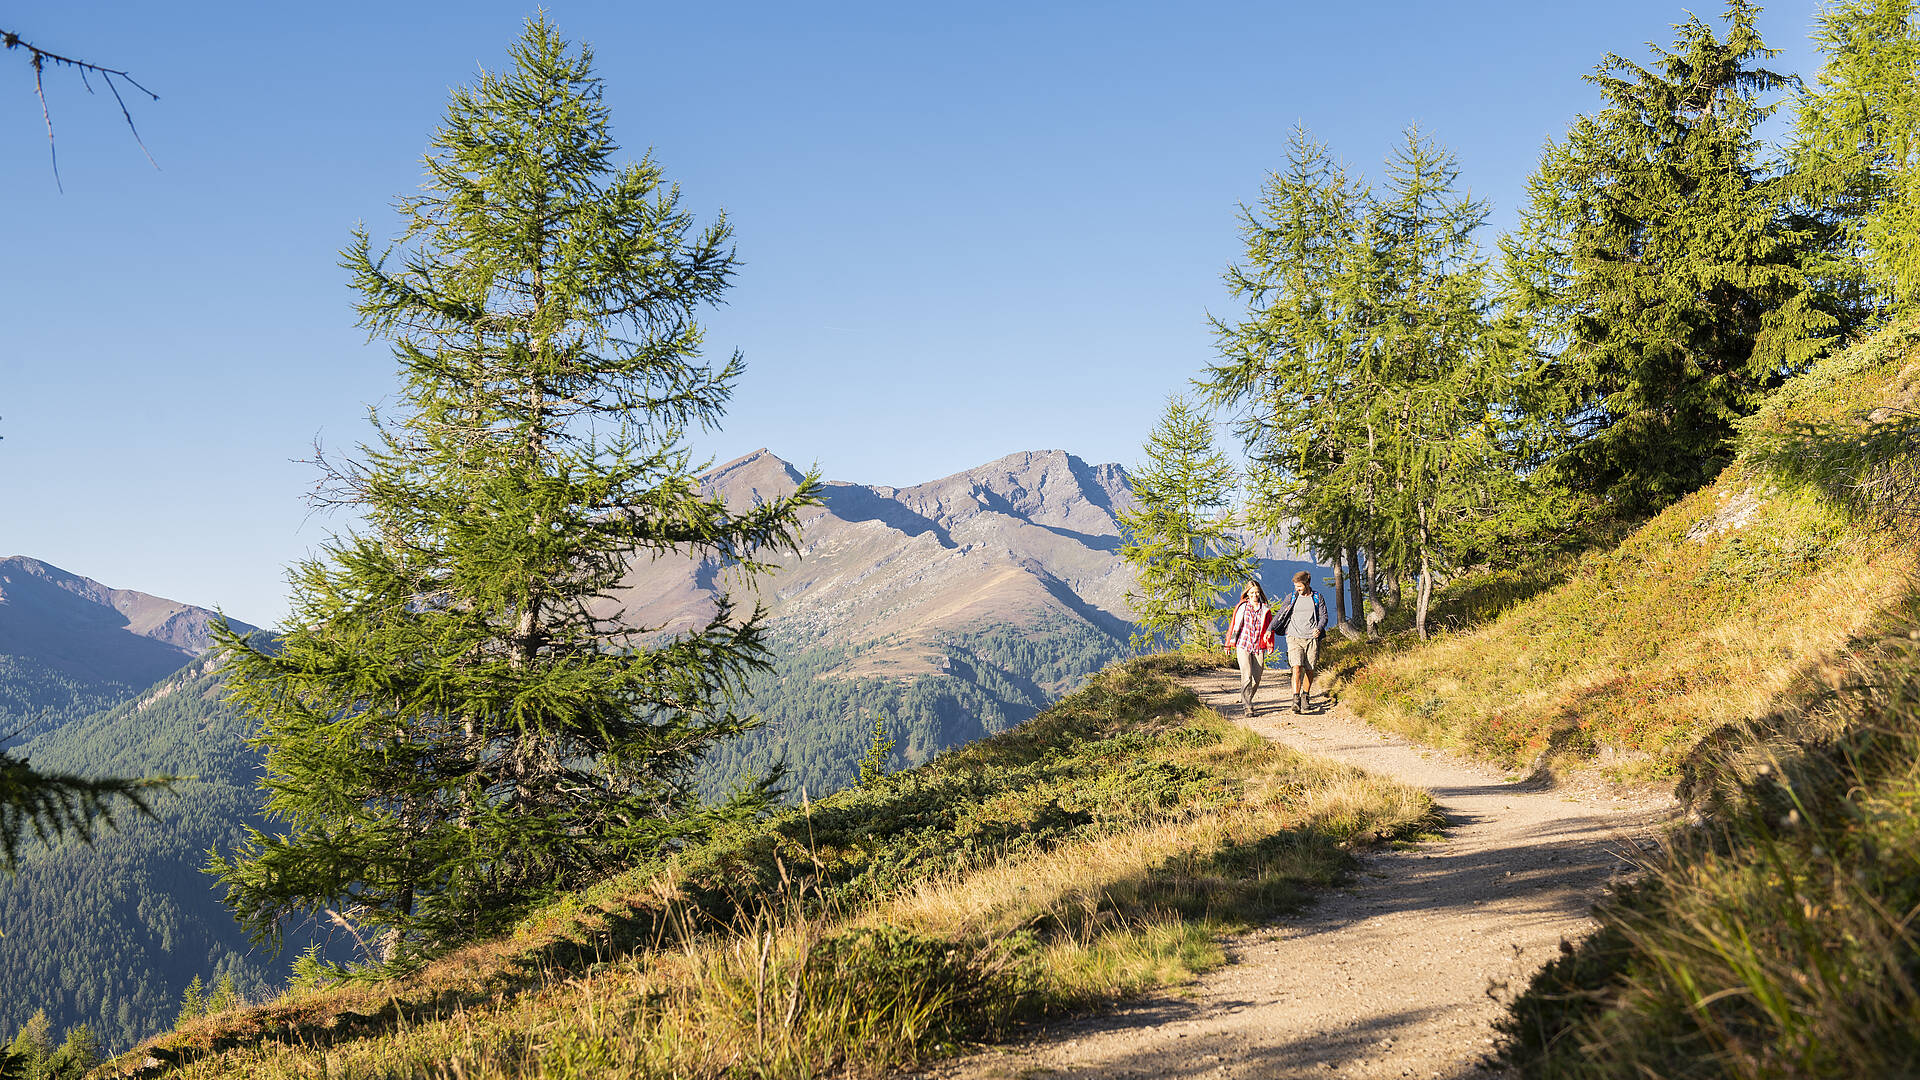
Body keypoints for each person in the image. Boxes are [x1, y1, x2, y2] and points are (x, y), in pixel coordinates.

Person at [1280, 570, 1329, 714]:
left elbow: (1324, 616)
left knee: (1309, 668)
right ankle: (1295, 699)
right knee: (1296, 667)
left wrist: (1319, 628)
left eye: (1299, 586)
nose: (1297, 589)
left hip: (1311, 638)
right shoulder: (1292, 597)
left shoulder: (1317, 597)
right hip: (1294, 637)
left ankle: (1305, 696)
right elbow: (1281, 614)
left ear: (1307, 584)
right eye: (1295, 586)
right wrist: (1271, 629)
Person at [1223, 579, 1274, 716]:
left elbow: (1270, 628)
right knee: (1247, 676)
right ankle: (1248, 706)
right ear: (1247, 593)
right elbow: (1234, 626)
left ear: (1260, 593)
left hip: (1258, 646)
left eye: (1257, 592)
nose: (1254, 595)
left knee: (1257, 678)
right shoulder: (1242, 607)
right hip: (1243, 644)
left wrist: (1270, 644)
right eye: (1251, 592)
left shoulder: (1265, 609)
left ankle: (1247, 698)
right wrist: (1229, 643)